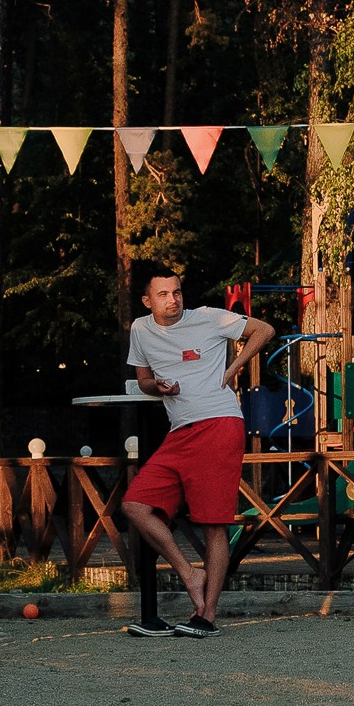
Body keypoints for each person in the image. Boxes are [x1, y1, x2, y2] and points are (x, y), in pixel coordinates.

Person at [118, 268, 273, 637]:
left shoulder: (208, 317)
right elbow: (142, 380)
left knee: (213, 525)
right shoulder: (140, 330)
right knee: (134, 505)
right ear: (147, 301)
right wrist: (157, 386)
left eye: (177, 292)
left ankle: (207, 616)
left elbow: (264, 330)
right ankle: (189, 572)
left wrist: (235, 366)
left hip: (219, 424)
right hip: (179, 431)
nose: (173, 300)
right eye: (163, 295)